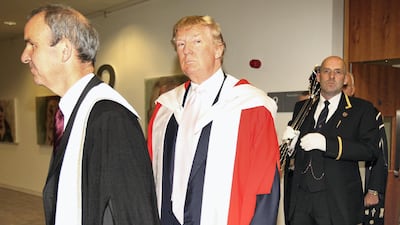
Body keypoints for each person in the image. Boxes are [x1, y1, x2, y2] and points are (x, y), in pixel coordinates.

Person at [20, 4, 160, 225]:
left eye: (32, 45)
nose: (24, 57)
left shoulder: (111, 119)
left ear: (65, 50)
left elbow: (134, 216)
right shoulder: (75, 112)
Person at [147, 15, 280, 225]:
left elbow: (265, 186)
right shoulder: (166, 109)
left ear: (218, 50)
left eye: (196, 42)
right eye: (180, 44)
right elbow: (152, 176)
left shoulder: (250, 106)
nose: (186, 50)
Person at [282, 56, 380, 225]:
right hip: (301, 199)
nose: (332, 77)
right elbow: (299, 149)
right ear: (318, 76)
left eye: (338, 72)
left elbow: (370, 150)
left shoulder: (361, 109)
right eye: (326, 71)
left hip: (337, 199)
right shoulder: (302, 107)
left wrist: (329, 145)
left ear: (344, 78)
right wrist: (290, 147)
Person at [343, 72, 388, 225]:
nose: (341, 90)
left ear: (353, 89)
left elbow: (380, 153)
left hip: (362, 185)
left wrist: (373, 190)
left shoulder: (368, 113)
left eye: (345, 86)